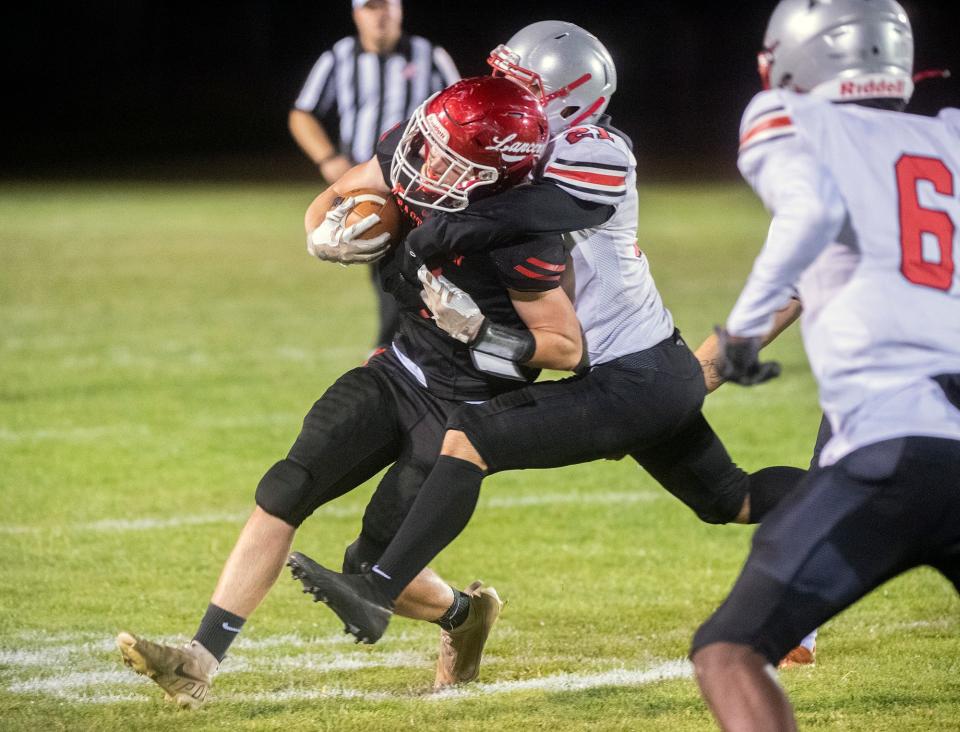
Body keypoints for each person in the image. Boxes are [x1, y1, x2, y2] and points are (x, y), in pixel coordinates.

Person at [284, 21, 807, 647]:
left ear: (568, 98)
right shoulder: (517, 144)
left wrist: (435, 234)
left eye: (520, 82)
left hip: (633, 375)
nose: (501, 89)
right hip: (643, 372)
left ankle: (377, 589)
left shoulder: (596, 149)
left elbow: (538, 212)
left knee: (470, 436)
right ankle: (859, 494)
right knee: (731, 498)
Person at [116, 76, 582, 707]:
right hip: (397, 369)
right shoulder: (416, 153)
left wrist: (478, 331)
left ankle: (463, 617)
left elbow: (565, 348)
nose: (427, 161)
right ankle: (198, 660)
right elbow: (338, 192)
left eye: (451, 157)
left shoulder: (521, 233)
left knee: (371, 562)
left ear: (493, 175)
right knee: (287, 485)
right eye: (431, 143)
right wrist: (323, 235)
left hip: (462, 409)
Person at [687, 1, 960, 728]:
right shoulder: (950, 136)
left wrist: (738, 336)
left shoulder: (789, 117)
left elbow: (807, 215)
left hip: (894, 442)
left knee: (729, 649)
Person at [289, 0, 459, 350]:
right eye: (370, 7)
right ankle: (397, 348)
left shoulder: (430, 54)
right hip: (368, 185)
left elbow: (461, 107)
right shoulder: (339, 57)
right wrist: (328, 159)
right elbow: (302, 113)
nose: (379, 15)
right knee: (388, 262)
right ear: (356, 14)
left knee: (425, 263)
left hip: (424, 185)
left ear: (400, 10)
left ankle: (397, 348)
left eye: (386, 6)